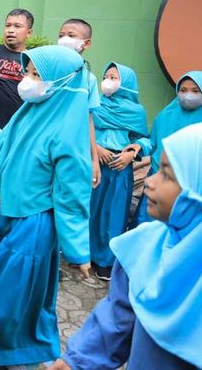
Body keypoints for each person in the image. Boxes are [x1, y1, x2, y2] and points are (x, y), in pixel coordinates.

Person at [0, 45, 91, 368]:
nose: (27, 80)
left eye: (36, 75)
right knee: (21, 299)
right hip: (11, 218)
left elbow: (72, 195)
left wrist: (77, 250)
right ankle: (15, 357)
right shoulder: (27, 113)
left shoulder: (68, 131)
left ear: (61, 81)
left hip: (35, 225)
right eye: (28, 72)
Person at [51, 122, 202, 370]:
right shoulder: (146, 245)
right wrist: (76, 360)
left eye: (167, 174)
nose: (149, 182)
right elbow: (118, 317)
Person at [89, 63, 149, 281]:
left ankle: (105, 260)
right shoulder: (95, 103)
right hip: (94, 161)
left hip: (119, 167)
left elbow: (143, 138)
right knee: (90, 209)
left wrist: (131, 153)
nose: (107, 81)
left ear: (126, 84)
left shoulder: (136, 111)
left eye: (114, 77)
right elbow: (82, 128)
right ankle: (83, 252)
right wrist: (96, 149)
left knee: (113, 214)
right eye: (106, 76)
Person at [131, 71, 202, 227]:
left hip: (192, 184)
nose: (188, 95)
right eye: (183, 90)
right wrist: (139, 146)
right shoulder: (166, 114)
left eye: (195, 91)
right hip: (159, 175)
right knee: (147, 224)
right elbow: (152, 141)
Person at [57, 18, 102, 188]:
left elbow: (88, 119)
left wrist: (94, 160)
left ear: (86, 43)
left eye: (70, 35)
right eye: (61, 35)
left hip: (71, 149)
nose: (64, 39)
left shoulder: (88, 79)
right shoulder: (48, 71)